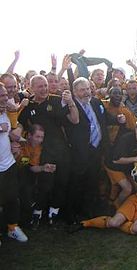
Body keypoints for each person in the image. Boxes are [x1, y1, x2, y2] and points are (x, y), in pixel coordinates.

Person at [18, 75, 79, 226]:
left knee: (62, 181)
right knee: (46, 183)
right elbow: (19, 124)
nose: (44, 88)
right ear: (32, 88)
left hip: (62, 149)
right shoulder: (28, 105)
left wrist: (71, 102)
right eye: (40, 86)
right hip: (43, 150)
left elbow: (75, 119)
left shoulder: (56, 100)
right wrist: (19, 138)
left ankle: (54, 212)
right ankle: (37, 213)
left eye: (45, 85)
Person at [65, 77, 121, 223]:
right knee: (77, 182)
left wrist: (118, 120)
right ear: (75, 92)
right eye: (82, 90)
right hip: (80, 151)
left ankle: (89, 210)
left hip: (97, 149)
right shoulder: (70, 105)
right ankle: (72, 214)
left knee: (93, 180)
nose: (86, 92)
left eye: (88, 89)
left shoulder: (96, 102)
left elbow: (106, 119)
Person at [0, 83, 28, 244]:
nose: (5, 97)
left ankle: (12, 228)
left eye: (5, 94)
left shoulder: (5, 111)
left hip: (8, 163)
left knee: (12, 198)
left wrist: (22, 140)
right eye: (1, 95)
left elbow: (12, 128)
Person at [15, 124, 56, 229]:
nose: (40, 140)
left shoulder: (38, 148)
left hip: (21, 171)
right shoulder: (17, 139)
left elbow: (30, 166)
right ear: (29, 135)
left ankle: (24, 220)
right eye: (37, 137)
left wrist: (43, 168)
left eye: (42, 137)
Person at [104, 119, 137, 209]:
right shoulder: (126, 139)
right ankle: (116, 206)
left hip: (126, 169)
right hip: (113, 167)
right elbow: (116, 160)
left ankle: (115, 201)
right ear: (136, 130)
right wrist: (136, 159)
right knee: (127, 188)